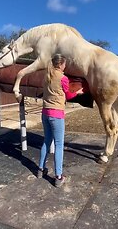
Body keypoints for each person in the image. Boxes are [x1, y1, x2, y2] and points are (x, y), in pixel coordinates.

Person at [37, 54, 84, 187]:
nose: (65, 66)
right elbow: (68, 94)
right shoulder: (63, 78)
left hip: (45, 112)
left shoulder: (46, 76)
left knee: (46, 141)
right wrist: (78, 92)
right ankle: (58, 177)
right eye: (64, 64)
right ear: (60, 64)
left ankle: (40, 170)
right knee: (59, 145)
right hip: (56, 114)